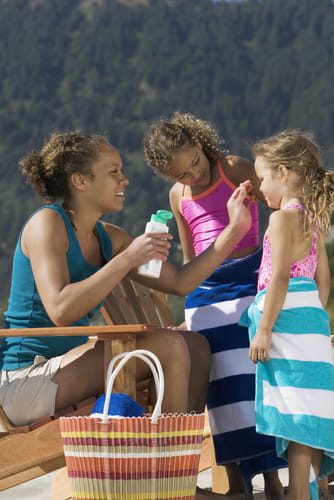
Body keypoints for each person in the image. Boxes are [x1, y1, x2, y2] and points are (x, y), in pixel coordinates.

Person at [0, 131, 254, 500]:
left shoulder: (109, 237)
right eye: (113, 171)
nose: (125, 179)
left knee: (195, 345)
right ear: (81, 180)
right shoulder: (47, 224)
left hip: (66, 372)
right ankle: (164, 482)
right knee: (165, 345)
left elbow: (181, 282)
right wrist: (128, 259)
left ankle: (175, 480)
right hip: (24, 383)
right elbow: (60, 310)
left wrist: (233, 231)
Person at [144, 112, 286, 500]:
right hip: (207, 291)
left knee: (253, 379)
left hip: (249, 276)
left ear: (202, 144)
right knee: (220, 387)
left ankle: (273, 479)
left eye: (196, 163)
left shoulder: (233, 167)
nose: (195, 176)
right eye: (183, 175)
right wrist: (190, 305)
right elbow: (190, 260)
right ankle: (238, 483)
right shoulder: (179, 196)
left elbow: (278, 209)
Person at [240, 129, 334, 500]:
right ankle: (305, 487)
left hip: (284, 321)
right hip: (310, 319)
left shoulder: (281, 220)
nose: (259, 187)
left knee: (293, 410)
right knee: (308, 407)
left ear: (283, 172)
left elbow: (279, 276)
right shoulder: (313, 219)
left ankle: (298, 492)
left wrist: (265, 329)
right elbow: (322, 281)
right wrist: (313, 320)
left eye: (262, 177)